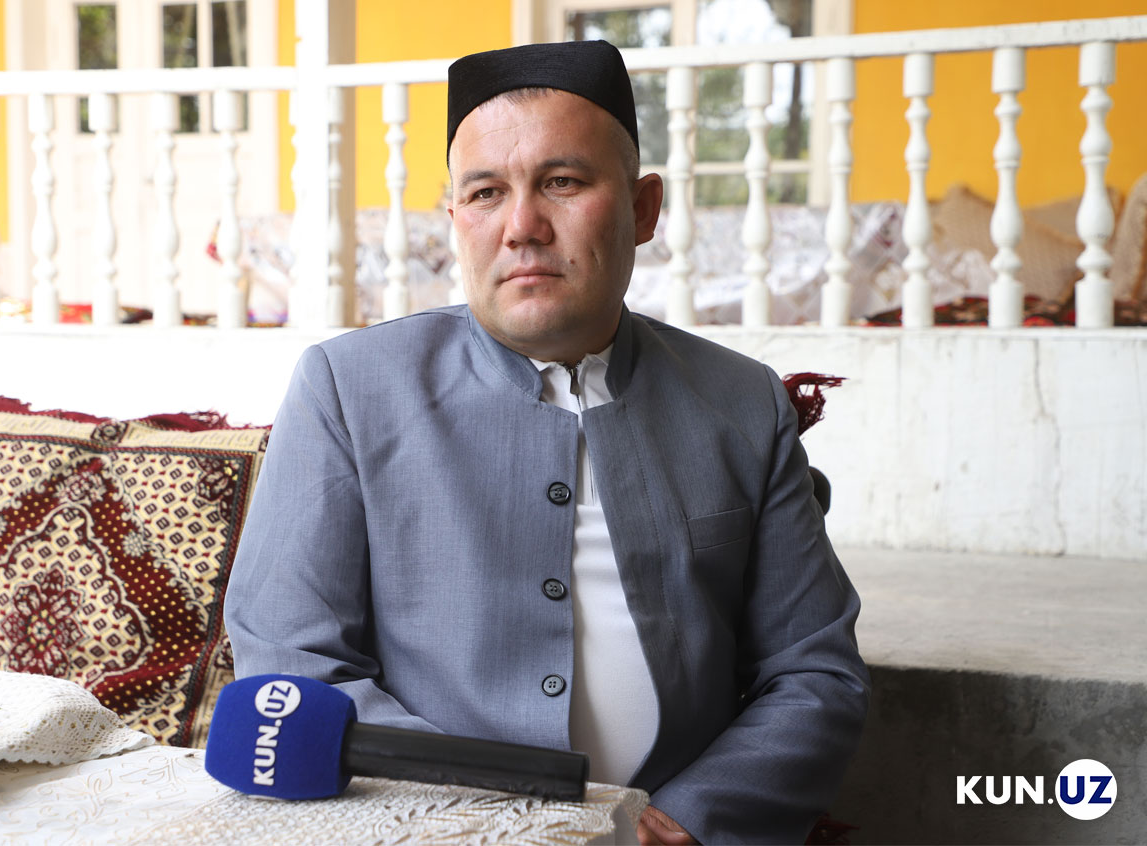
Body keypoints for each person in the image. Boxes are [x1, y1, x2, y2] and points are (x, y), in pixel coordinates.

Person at [225, 40, 869, 844]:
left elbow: (814, 672)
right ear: (455, 219)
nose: (522, 227)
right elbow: (293, 663)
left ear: (642, 209)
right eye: (486, 192)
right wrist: (500, 824)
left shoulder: (741, 403)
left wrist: (689, 820)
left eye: (562, 182)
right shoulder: (350, 390)